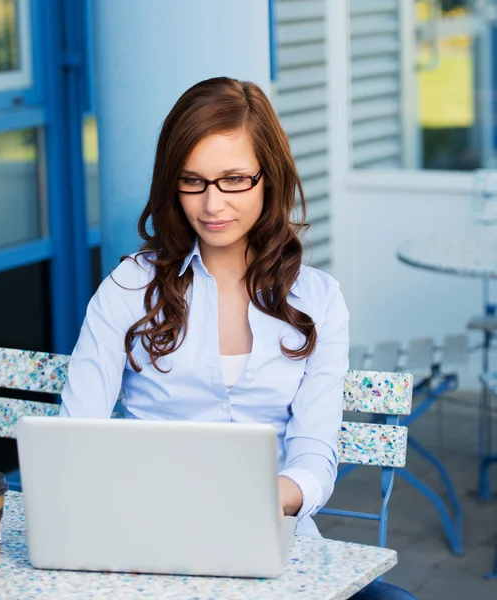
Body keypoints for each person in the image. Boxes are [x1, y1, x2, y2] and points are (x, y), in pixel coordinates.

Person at [60, 77, 416, 600]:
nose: (212, 204)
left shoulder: (318, 300)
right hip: (145, 541)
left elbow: (316, 448)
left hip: (274, 545)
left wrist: (277, 497)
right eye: (193, 181)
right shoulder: (128, 287)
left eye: (233, 180)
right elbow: (77, 437)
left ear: (269, 178)